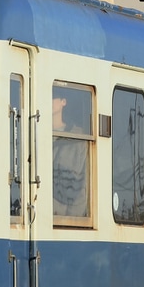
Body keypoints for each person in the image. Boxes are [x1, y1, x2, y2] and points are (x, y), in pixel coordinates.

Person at [52, 90, 90, 220]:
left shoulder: (79, 138)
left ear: (64, 101)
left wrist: (72, 220)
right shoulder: (33, 132)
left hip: (68, 220)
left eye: (54, 96)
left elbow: (84, 182)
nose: (49, 100)